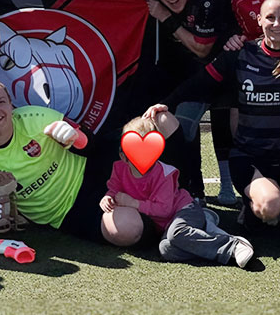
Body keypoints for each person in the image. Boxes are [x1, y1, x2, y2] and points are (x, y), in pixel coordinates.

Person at [148, 0, 280, 235]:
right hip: (251, 159)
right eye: (270, 17)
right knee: (269, 206)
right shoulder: (240, 55)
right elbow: (201, 81)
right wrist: (169, 102)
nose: (277, 23)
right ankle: (257, 207)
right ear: (259, 21)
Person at [0, 79, 143, 245]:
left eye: (1, 102)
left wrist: (75, 138)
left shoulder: (36, 117)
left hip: (93, 173)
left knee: (155, 126)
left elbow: (93, 146)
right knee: (129, 229)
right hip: (68, 212)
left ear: (11, 105)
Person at [101, 115, 255, 268]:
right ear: (123, 155)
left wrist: (133, 203)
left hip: (185, 210)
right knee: (166, 250)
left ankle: (232, 245)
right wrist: (108, 197)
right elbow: (114, 188)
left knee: (177, 233)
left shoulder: (165, 174)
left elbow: (164, 210)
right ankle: (204, 229)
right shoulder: (119, 168)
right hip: (167, 226)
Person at [145, 0, 230, 201]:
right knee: (181, 124)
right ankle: (195, 191)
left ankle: (228, 189)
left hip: (221, 67)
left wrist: (166, 17)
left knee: (218, 124)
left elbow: (201, 48)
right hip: (189, 70)